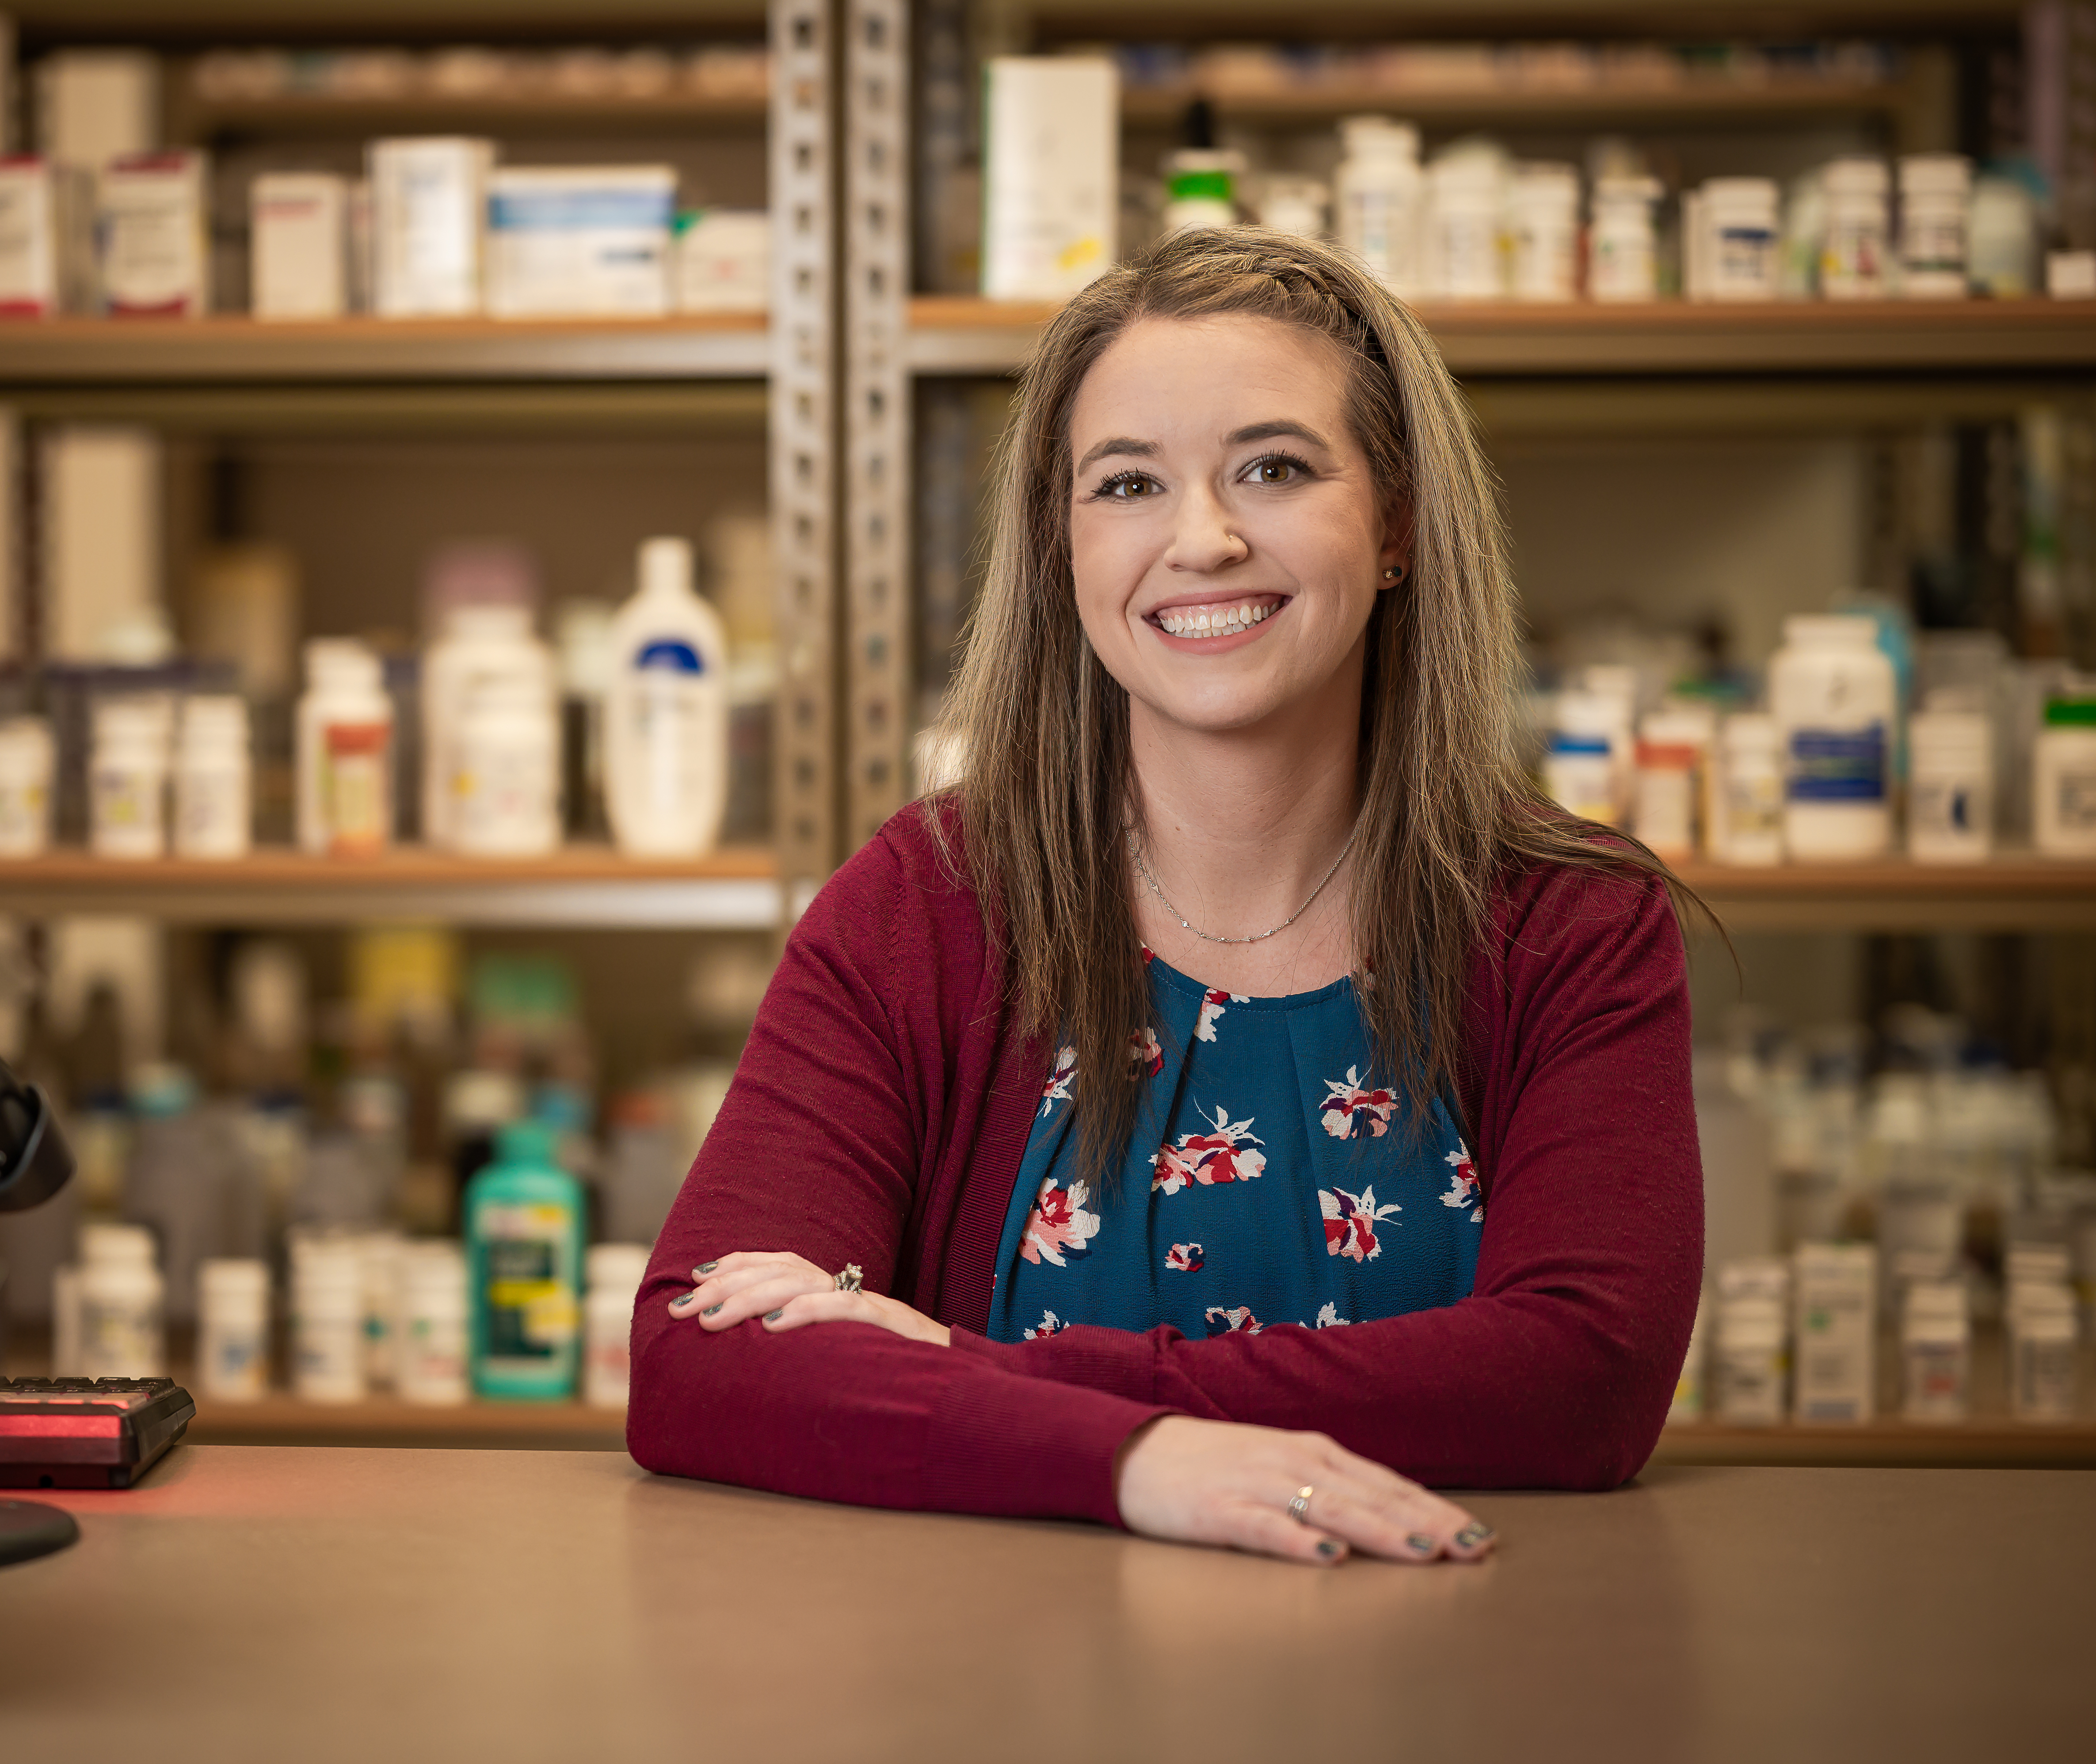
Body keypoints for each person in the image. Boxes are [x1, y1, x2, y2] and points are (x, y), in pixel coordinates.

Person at [626, 228, 1703, 1566]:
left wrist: (985, 1376)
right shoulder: (932, 903)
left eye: (1274, 468)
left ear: (1399, 525)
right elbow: (694, 1358)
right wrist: (1141, 1463)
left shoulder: (1567, 922)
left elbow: (1583, 1379)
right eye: (1128, 483)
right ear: (1063, 549)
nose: (1202, 539)